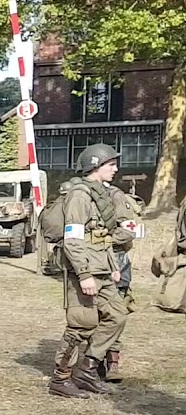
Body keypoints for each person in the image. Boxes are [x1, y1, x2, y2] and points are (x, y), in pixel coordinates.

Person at [48, 142, 128, 399]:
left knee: (117, 316)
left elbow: (102, 236)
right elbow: (73, 239)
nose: (115, 168)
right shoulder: (80, 196)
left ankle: (88, 368)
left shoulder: (99, 193)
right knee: (82, 325)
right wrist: (84, 275)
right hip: (85, 271)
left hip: (103, 269)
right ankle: (60, 379)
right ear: (96, 165)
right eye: (111, 164)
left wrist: (113, 267)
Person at [103, 183, 144, 381]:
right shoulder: (81, 193)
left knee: (115, 311)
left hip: (116, 259)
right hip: (90, 262)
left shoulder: (115, 196)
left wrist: (102, 241)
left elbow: (129, 230)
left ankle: (112, 362)